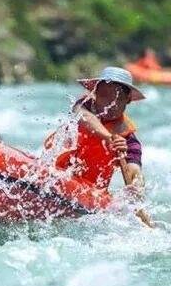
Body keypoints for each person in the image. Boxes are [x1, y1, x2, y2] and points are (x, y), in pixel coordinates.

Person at [44, 67, 145, 196]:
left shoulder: (129, 141)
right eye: (104, 95)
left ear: (128, 99)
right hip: (56, 174)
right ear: (95, 94)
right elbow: (85, 117)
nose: (110, 104)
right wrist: (109, 137)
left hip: (90, 193)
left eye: (117, 98)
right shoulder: (83, 106)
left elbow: (135, 171)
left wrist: (136, 188)